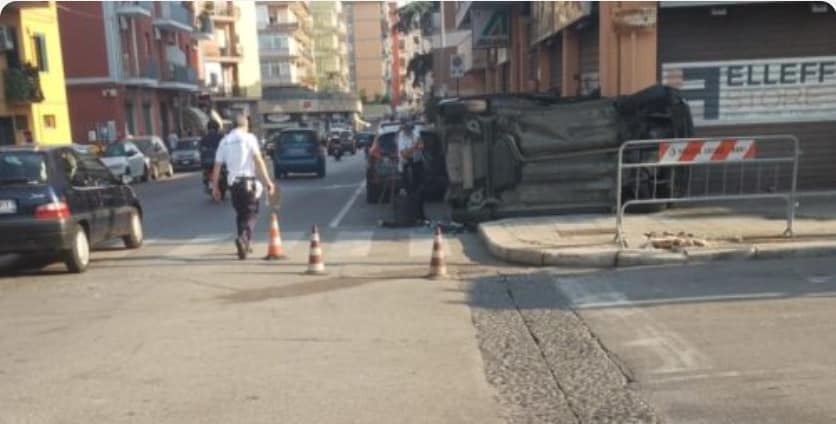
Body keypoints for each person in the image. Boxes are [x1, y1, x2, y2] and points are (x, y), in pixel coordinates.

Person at [211, 114, 276, 260]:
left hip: (233, 185)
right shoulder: (249, 138)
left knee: (241, 214)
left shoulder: (225, 141)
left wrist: (215, 187)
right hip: (247, 182)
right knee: (252, 213)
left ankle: (244, 247)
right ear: (245, 125)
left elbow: (217, 166)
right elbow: (258, 160)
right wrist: (268, 182)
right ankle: (243, 239)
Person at [397, 119, 427, 223]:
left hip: (417, 163)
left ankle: (421, 215)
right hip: (406, 165)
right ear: (404, 129)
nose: (409, 131)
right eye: (407, 129)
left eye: (410, 129)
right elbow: (404, 154)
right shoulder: (401, 137)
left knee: (421, 190)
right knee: (410, 191)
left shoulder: (416, 132)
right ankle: (411, 216)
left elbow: (421, 146)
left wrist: (414, 148)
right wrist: (414, 147)